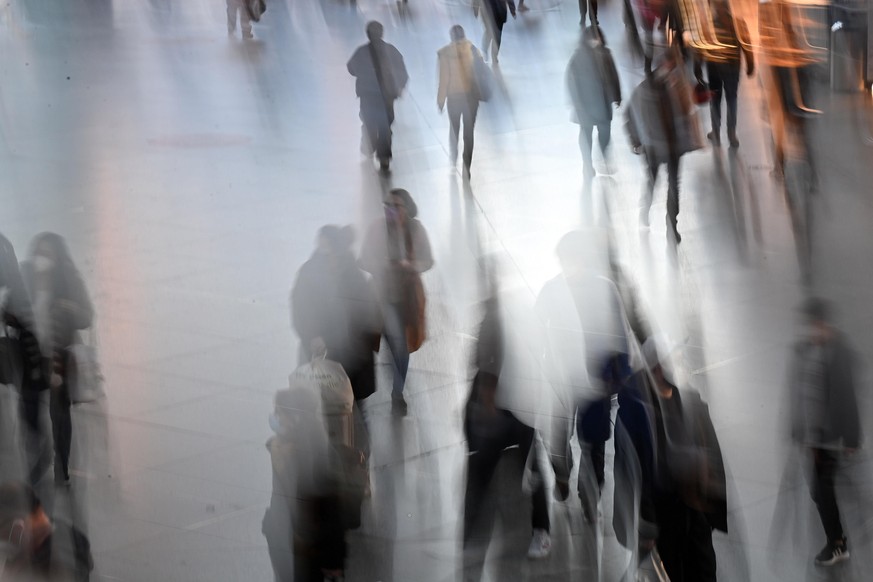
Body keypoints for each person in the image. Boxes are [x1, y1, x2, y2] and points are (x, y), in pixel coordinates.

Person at [630, 337, 726, 582]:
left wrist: (712, 501)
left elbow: (712, 449)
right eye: (674, 358)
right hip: (666, 516)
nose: (680, 362)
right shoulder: (641, 415)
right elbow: (637, 473)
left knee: (704, 571)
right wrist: (648, 522)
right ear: (658, 369)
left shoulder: (692, 402)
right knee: (674, 571)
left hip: (696, 511)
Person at [463, 295, 552, 561]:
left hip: (517, 411)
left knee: (526, 471)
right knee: (490, 471)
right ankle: (538, 531)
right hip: (506, 412)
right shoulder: (495, 322)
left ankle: (539, 530)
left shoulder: (506, 327)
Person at [786, 298, 860, 566]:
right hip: (815, 439)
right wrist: (798, 429)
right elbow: (803, 391)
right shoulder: (809, 349)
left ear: (822, 323)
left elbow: (846, 395)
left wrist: (851, 437)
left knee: (822, 491)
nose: (810, 330)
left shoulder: (836, 352)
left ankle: (837, 543)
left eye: (814, 324)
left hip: (826, 439)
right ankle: (838, 540)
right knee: (823, 491)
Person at [19, 234, 93, 487]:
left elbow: (87, 316)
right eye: (40, 254)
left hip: (59, 357)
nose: (43, 260)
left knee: (60, 414)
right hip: (32, 356)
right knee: (29, 409)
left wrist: (69, 308)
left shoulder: (69, 280)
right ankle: (39, 451)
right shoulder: (26, 278)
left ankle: (62, 465)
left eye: (48, 255)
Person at [359, 189, 433, 416]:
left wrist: (411, 265)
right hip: (384, 298)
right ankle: (397, 393)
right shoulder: (376, 229)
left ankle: (397, 391)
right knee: (397, 344)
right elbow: (363, 259)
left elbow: (428, 261)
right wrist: (381, 264)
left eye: (395, 206)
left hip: (408, 298)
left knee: (402, 350)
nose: (390, 211)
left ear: (406, 209)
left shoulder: (416, 230)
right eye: (387, 206)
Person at [263, 389, 346, 582]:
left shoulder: (319, 456)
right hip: (285, 539)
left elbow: (333, 511)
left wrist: (333, 562)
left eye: (280, 413)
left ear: (296, 418)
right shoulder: (281, 448)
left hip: (308, 548)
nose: (275, 418)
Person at [626, 49, 703, 244]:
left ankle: (669, 223)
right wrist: (635, 140)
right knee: (658, 183)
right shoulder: (655, 89)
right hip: (661, 147)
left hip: (667, 147)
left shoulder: (668, 87)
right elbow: (630, 115)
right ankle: (651, 213)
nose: (670, 71)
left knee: (668, 185)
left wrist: (635, 141)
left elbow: (686, 112)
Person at [347, 22, 409, 173]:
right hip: (386, 97)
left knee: (369, 123)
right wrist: (398, 87)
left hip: (367, 95)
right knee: (385, 127)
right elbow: (402, 72)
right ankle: (384, 157)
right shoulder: (391, 51)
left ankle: (369, 145)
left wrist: (363, 75)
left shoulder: (361, 52)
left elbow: (351, 68)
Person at [0, 482, 94, 581]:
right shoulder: (56, 529)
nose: (6, 544)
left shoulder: (58, 565)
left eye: (5, 538)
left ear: (18, 527)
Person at [566, 26, 622, 179]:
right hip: (589, 105)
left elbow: (613, 75)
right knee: (589, 134)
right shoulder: (579, 57)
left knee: (599, 133)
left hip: (597, 104)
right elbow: (571, 81)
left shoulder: (603, 55)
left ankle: (598, 159)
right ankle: (588, 163)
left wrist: (617, 95)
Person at [702, 0, 754, 148]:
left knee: (717, 100)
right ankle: (730, 134)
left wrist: (697, 67)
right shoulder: (737, 23)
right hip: (731, 69)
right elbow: (747, 44)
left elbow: (700, 50)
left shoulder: (709, 24)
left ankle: (717, 131)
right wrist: (751, 63)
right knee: (731, 100)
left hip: (715, 69)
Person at [437, 25, 483, 178]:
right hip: (471, 98)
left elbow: (443, 79)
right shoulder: (473, 49)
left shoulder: (444, 53)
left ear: (451, 37)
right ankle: (466, 165)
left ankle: (454, 155)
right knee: (469, 132)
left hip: (454, 98)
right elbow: (481, 71)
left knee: (454, 128)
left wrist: (441, 100)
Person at [474, 0, 516, 65]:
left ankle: (492, 54)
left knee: (495, 35)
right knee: (493, 33)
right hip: (491, 11)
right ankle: (488, 51)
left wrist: (512, 9)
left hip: (495, 12)